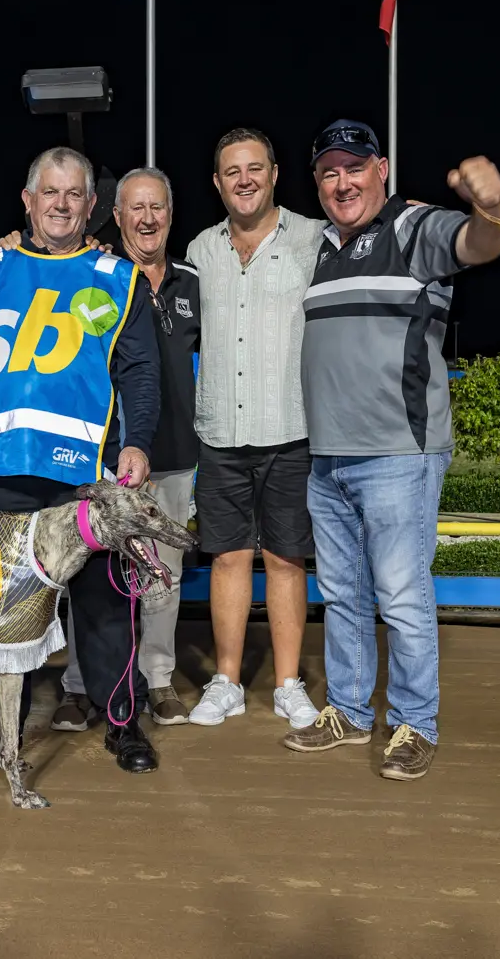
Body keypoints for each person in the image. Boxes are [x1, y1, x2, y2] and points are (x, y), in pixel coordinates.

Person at [0, 146, 164, 773]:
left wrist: (138, 443)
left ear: (90, 206)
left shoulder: (116, 277)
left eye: (73, 194)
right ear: (27, 201)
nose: (60, 204)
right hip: (4, 473)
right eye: (48, 193)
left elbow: (139, 373)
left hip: (87, 479)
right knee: (1, 609)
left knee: (106, 606)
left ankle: (123, 723)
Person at [286, 119, 500, 781]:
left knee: (403, 594)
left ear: (380, 170)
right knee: (345, 593)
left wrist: (493, 207)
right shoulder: (324, 247)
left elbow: (479, 243)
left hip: (397, 455)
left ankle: (417, 722)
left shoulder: (413, 228)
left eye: (353, 168)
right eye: (328, 172)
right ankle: (351, 711)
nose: (341, 182)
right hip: (327, 456)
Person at [184, 129, 326, 732]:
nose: (244, 179)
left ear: (273, 175)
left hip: (291, 429)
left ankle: (290, 684)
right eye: (231, 171)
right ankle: (228, 681)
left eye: (255, 168)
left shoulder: (315, 240)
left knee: (287, 560)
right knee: (228, 560)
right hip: (220, 433)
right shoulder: (200, 249)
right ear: (217, 183)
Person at [51, 167, 201, 730]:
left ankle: (158, 679)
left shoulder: (192, 283)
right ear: (114, 216)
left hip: (172, 455)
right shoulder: (96, 279)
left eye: (156, 207)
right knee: (87, 575)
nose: (146, 218)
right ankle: (78, 683)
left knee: (162, 576)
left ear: (169, 213)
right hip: (99, 457)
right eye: (134, 208)